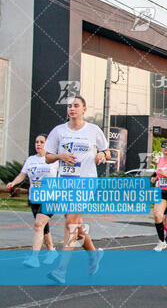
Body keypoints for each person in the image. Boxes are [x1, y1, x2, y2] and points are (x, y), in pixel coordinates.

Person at [44, 95, 110, 284]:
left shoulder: (93, 130)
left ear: (84, 109)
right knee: (75, 224)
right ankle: (94, 255)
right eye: (69, 106)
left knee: (70, 223)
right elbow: (47, 157)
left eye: (76, 106)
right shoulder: (58, 131)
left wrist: (101, 156)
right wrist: (59, 155)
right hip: (65, 182)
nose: (72, 109)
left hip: (86, 181)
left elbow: (106, 150)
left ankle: (61, 270)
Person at [7, 134, 59, 267]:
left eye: (41, 142)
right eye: (36, 142)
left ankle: (34, 258)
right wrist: (13, 183)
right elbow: (22, 175)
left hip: (51, 198)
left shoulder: (54, 159)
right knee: (42, 226)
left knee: (38, 225)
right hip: (35, 197)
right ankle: (51, 251)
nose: (38, 144)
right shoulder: (31, 160)